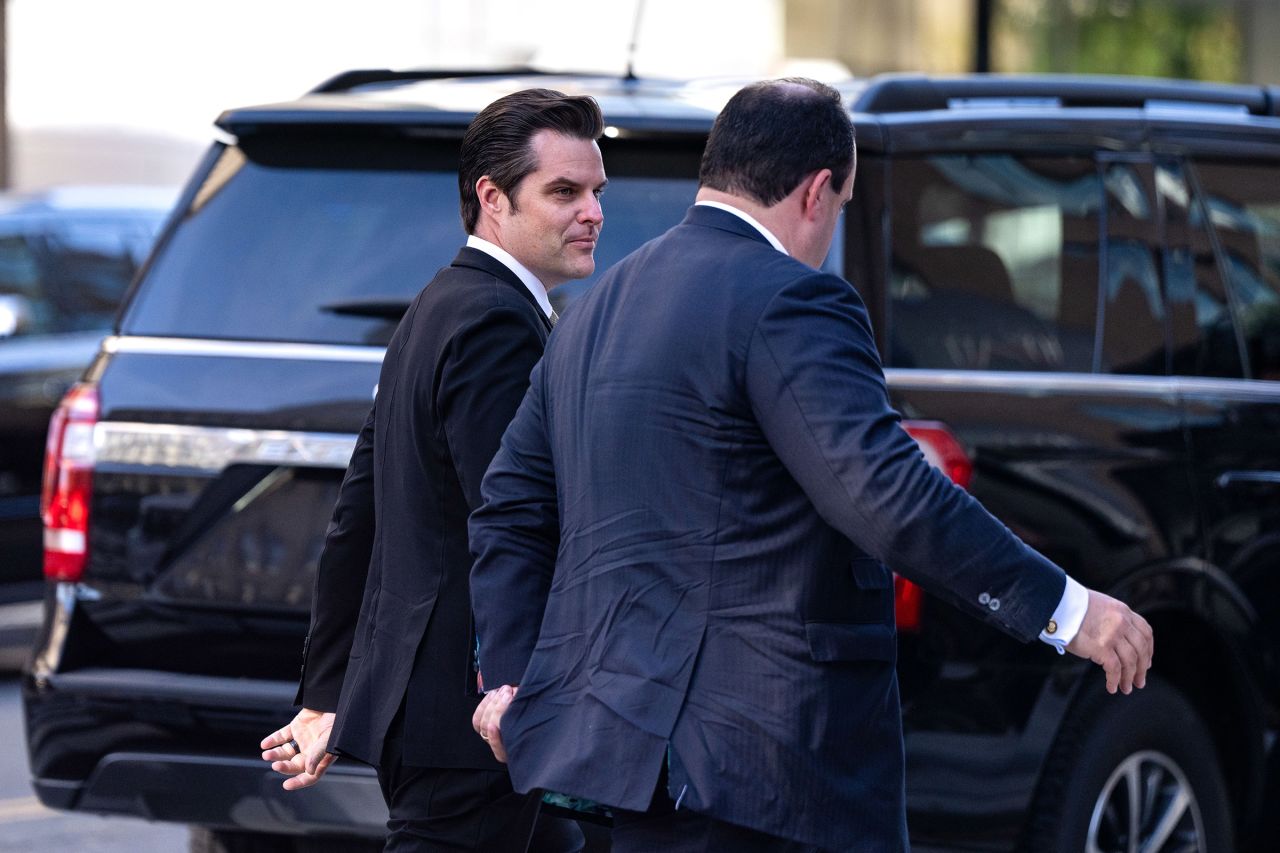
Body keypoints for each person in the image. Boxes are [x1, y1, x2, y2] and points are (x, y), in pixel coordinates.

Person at [467, 79, 1153, 853]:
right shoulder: (794, 300)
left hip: (625, 765)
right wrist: (1067, 609)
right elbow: (886, 493)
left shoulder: (591, 314)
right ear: (819, 189)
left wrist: (513, 680)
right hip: (771, 771)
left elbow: (510, 510)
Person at [259, 87, 608, 853]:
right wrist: (520, 686)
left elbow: (360, 508)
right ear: (493, 197)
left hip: (428, 709)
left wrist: (327, 693)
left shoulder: (438, 303)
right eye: (564, 192)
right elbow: (513, 525)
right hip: (469, 721)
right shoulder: (494, 322)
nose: (593, 212)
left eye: (595, 192)